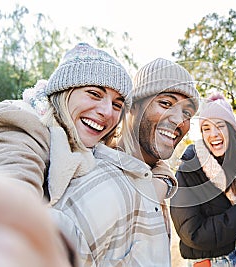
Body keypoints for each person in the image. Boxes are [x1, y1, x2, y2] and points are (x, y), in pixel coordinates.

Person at [50, 57, 200, 266]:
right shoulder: (100, 186)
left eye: (187, 112)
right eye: (166, 103)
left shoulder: (153, 180)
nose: (179, 120)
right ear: (132, 107)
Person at [0, 42, 132, 266]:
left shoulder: (83, 143)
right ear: (63, 92)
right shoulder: (23, 127)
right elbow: (13, 183)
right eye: (94, 94)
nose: (107, 112)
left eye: (117, 105)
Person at [170, 94, 236, 267]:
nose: (214, 135)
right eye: (206, 128)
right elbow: (193, 234)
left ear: (231, 129)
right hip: (212, 262)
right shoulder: (189, 170)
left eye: (220, 126)